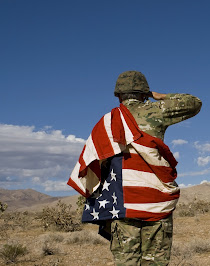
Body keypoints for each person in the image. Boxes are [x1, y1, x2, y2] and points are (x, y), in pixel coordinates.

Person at [67, 71, 202, 265]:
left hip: (123, 204)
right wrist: (160, 96)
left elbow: (96, 163)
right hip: (157, 201)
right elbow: (194, 103)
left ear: (119, 95)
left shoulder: (107, 122)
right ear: (144, 93)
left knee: (127, 262)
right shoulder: (157, 111)